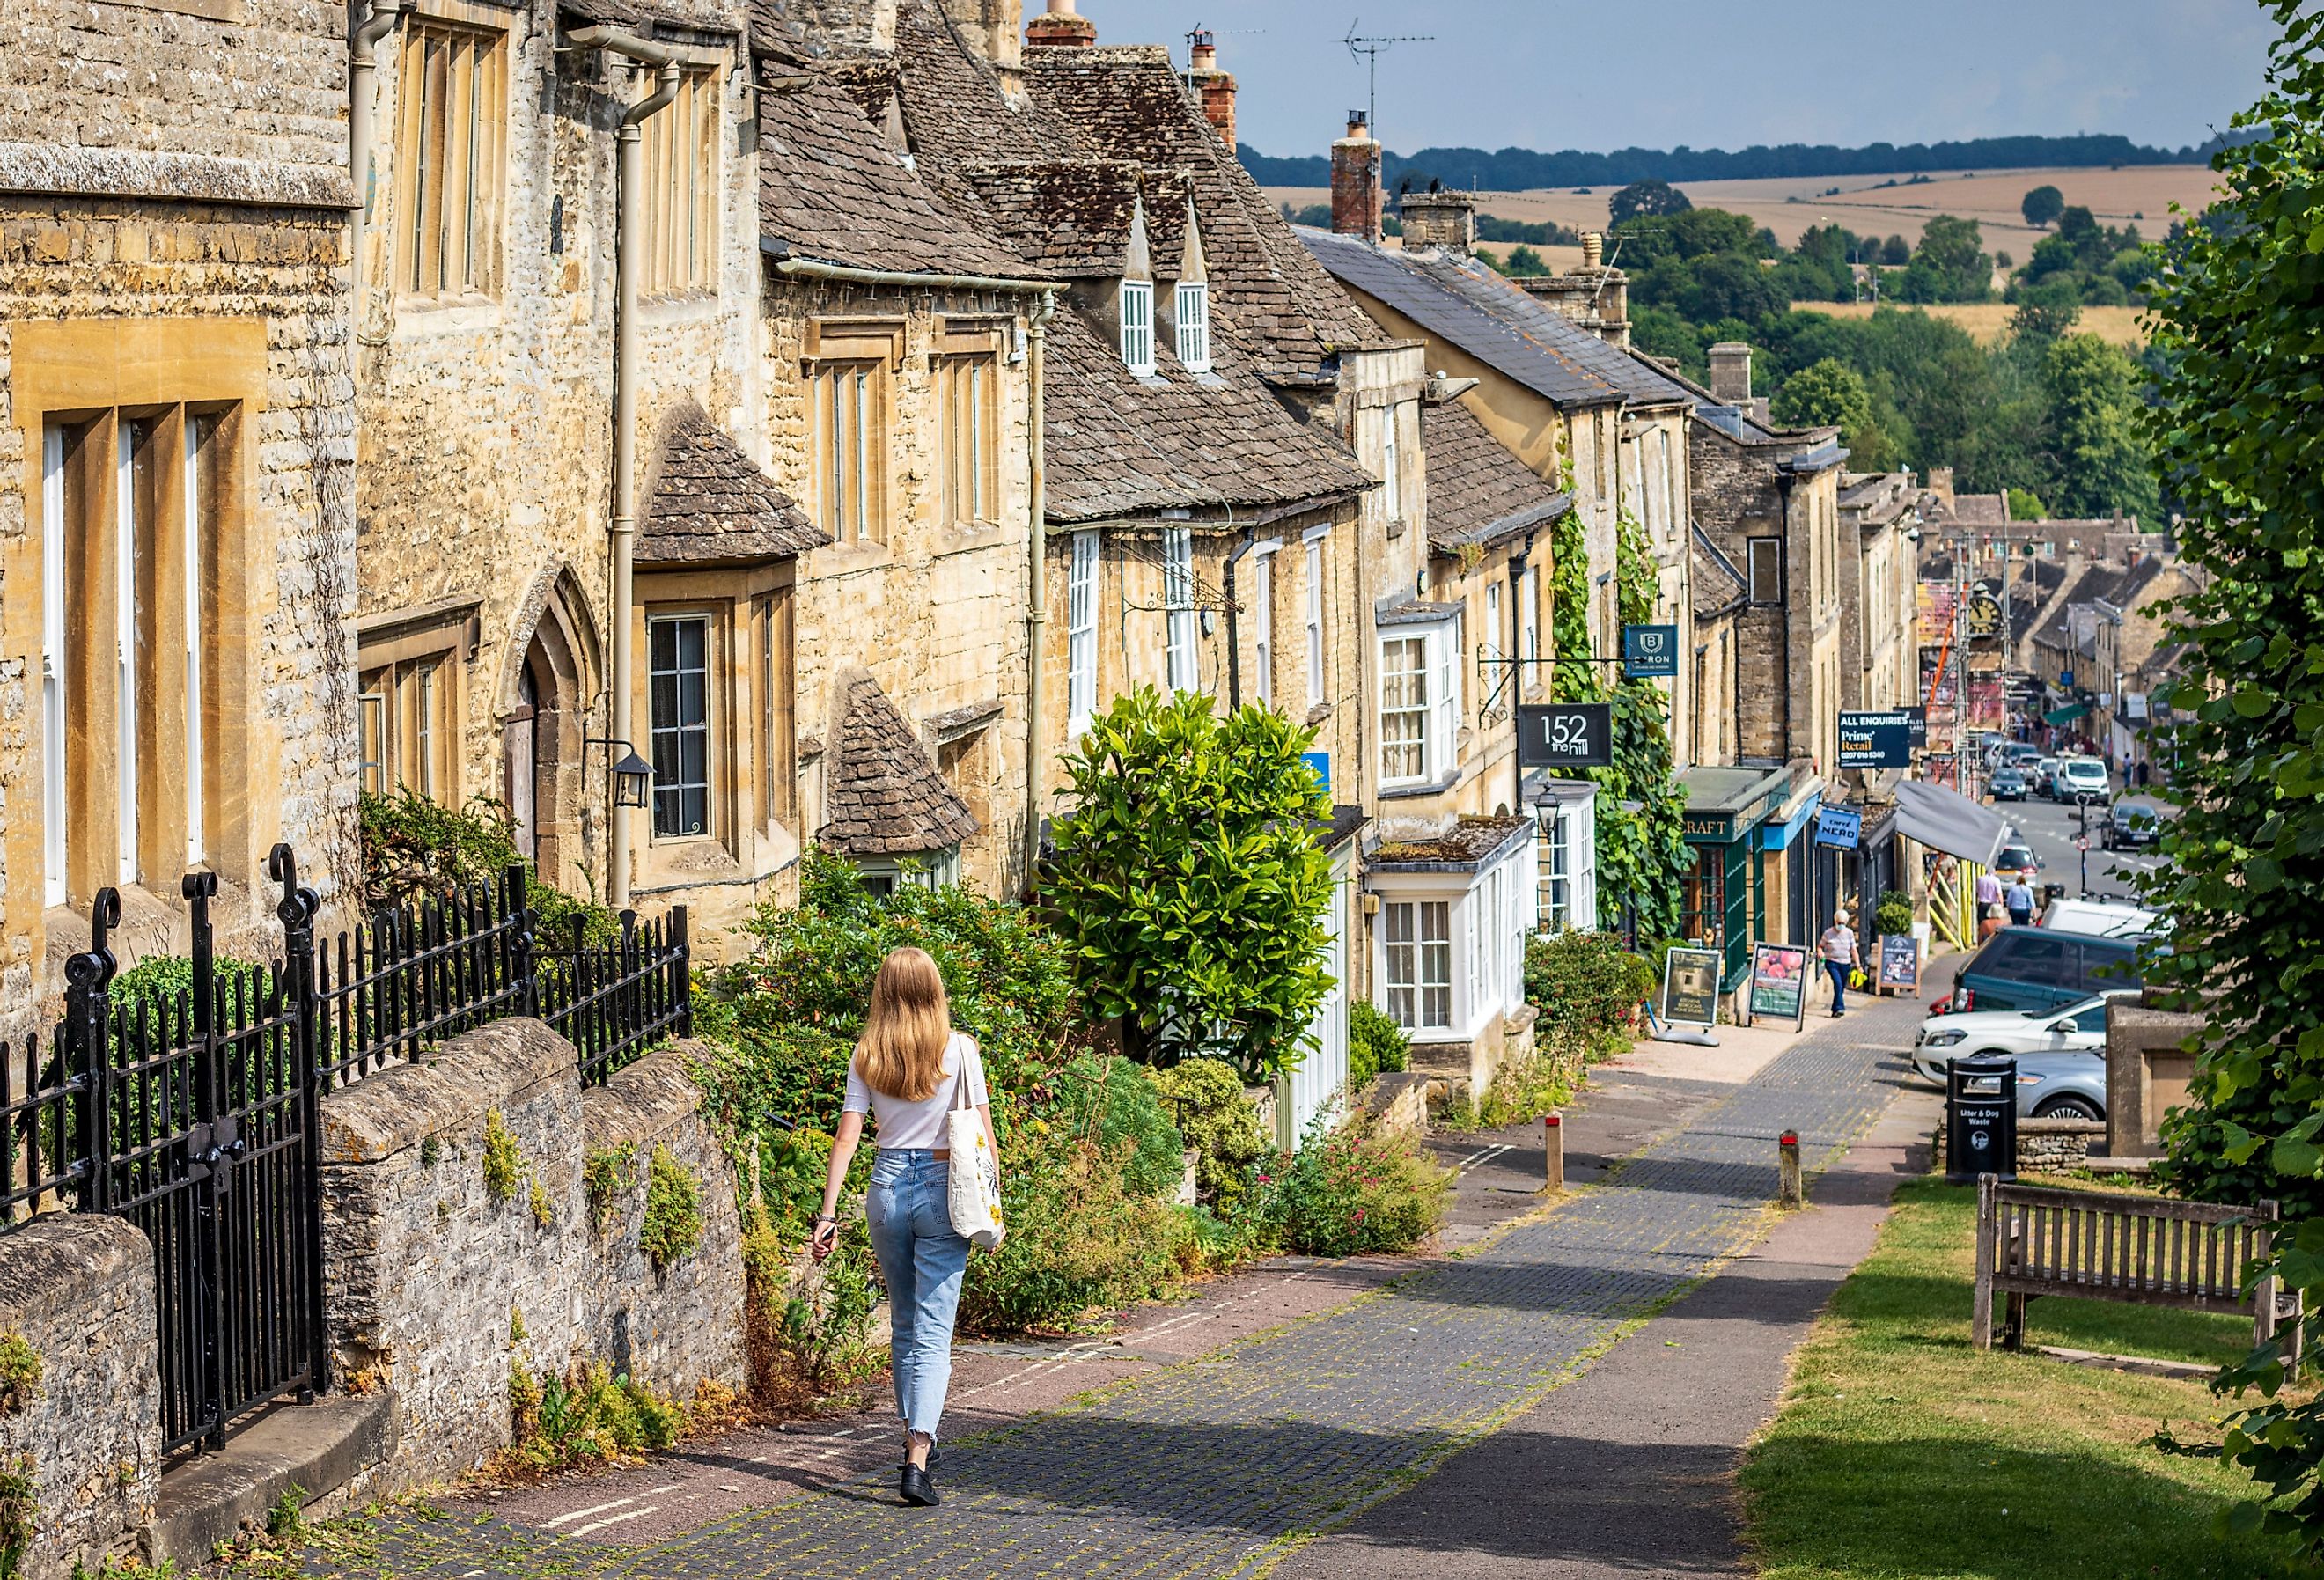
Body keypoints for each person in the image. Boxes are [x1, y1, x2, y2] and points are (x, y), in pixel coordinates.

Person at [811, 946, 999, 1508]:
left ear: (884, 993)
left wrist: (827, 1214)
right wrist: (994, 1202)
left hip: (887, 1188)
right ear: (936, 990)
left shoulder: (869, 1053)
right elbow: (983, 1134)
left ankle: (915, 1425)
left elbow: (848, 1136)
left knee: (904, 1320)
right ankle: (917, 1456)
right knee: (935, 1328)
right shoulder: (961, 1049)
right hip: (945, 1187)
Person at [1820, 908, 1863, 1018]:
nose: (1841, 925)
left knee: (1841, 987)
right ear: (1835, 921)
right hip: (1832, 962)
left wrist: (1858, 965)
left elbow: (1853, 949)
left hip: (1845, 963)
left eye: (1843, 923)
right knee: (1838, 983)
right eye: (1839, 923)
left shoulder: (1849, 933)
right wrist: (1821, 953)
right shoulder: (1828, 933)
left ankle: (1835, 1008)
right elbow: (1820, 946)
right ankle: (1840, 1008)